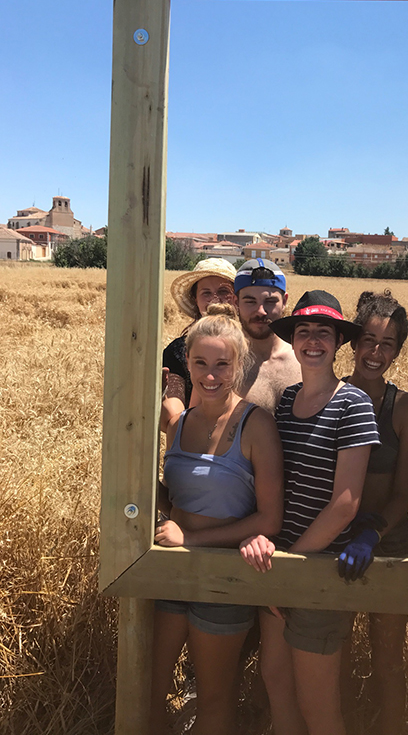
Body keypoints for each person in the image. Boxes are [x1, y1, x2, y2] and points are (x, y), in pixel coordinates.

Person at [240, 290, 381, 735]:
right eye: (304, 332)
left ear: (339, 341)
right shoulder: (287, 400)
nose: (313, 340)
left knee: (318, 706)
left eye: (324, 332)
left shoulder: (353, 403)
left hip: (315, 574)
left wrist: (290, 568)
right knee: (277, 683)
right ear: (294, 340)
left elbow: (345, 505)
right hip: (280, 568)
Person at [151, 304, 284, 735]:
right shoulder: (179, 423)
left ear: (239, 365)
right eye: (200, 363)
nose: (211, 375)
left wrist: (190, 539)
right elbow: (175, 498)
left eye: (222, 364)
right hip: (171, 572)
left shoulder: (256, 425)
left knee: (212, 697)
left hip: (222, 577)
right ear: (186, 365)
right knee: (151, 688)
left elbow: (270, 517)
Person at [337, 290, 408, 735]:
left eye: (388, 344)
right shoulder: (329, 397)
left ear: (399, 350)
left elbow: (401, 494)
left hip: (386, 542)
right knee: (332, 654)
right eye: (368, 340)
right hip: (333, 542)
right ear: (352, 343)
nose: (375, 352)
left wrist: (371, 532)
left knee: (388, 657)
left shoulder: (406, 409)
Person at [161, 257, 236, 431]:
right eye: (206, 293)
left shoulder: (255, 346)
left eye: (224, 291)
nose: (215, 299)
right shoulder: (177, 351)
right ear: (195, 299)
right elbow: (173, 416)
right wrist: (162, 397)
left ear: (237, 298)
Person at [233, 258, 302, 413]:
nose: (261, 311)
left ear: (284, 302)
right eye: (250, 302)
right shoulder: (225, 364)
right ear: (235, 302)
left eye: (270, 301)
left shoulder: (305, 360)